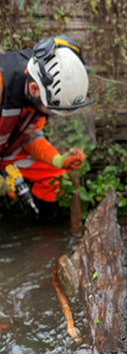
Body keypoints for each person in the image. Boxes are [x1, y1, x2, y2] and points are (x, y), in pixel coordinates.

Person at [0, 35, 95, 220]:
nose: (52, 115)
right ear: (35, 89)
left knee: (54, 177)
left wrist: (57, 159)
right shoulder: (4, 82)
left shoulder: (40, 92)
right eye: (52, 110)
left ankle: (43, 235)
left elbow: (31, 137)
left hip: (6, 150)